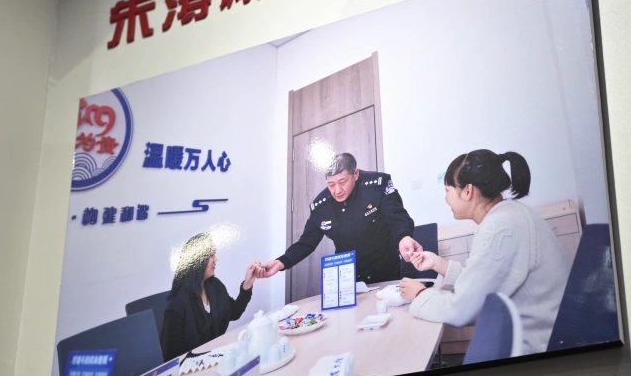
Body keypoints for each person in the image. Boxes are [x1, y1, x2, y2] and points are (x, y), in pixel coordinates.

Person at [398, 149, 570, 356]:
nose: (446, 198)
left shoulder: (499, 228)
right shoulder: (510, 213)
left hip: (539, 347)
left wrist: (420, 294)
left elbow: (461, 310)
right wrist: (437, 263)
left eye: (447, 190)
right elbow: (486, 281)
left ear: (468, 191)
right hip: (549, 332)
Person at [259, 152, 421, 285]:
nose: (337, 190)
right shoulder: (321, 206)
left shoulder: (377, 185)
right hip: (348, 276)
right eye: (331, 184)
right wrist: (281, 262)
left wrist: (404, 237)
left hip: (386, 267)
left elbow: (396, 215)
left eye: (342, 181)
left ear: (355, 174)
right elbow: (307, 242)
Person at [160, 232, 263, 360]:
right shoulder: (179, 303)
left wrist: (247, 285)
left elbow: (234, 313)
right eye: (211, 255)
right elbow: (171, 356)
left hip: (215, 358)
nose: (216, 259)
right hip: (192, 366)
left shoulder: (215, 286)